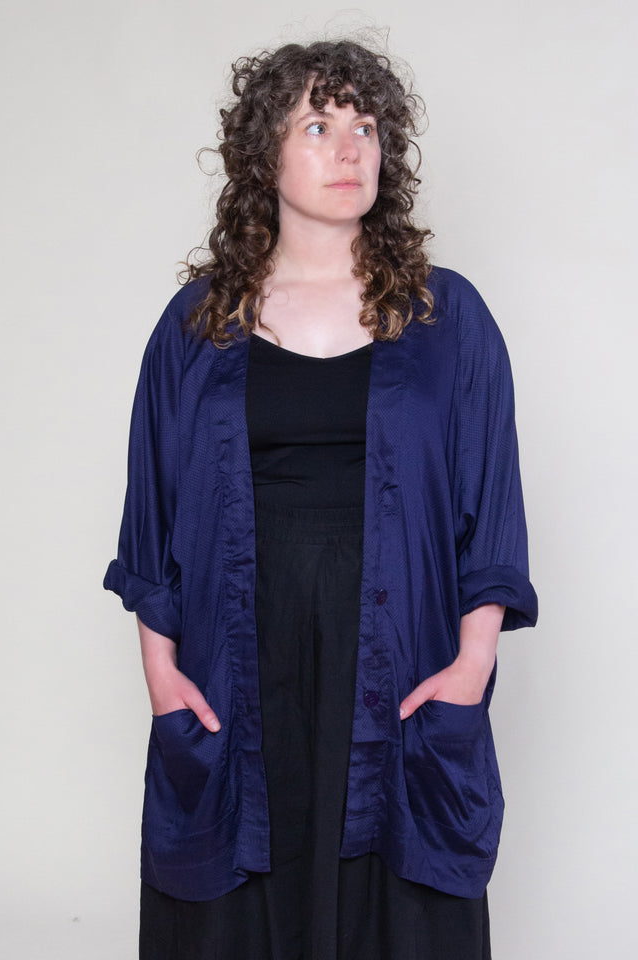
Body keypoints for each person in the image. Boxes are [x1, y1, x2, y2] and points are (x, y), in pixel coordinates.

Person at [104, 38, 537, 960]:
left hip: (401, 653)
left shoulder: (447, 316)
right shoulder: (197, 324)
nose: (349, 149)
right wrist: (161, 674)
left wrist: (473, 662)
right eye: (317, 125)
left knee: (398, 882)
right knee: (236, 877)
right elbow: (153, 513)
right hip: (236, 654)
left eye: (366, 127)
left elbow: (490, 503)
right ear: (264, 154)